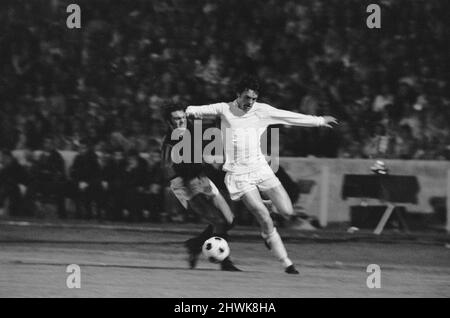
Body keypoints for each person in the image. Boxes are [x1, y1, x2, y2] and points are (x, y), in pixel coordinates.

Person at [185, 76, 338, 274]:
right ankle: (286, 262)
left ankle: (267, 234)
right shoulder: (223, 109)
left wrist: (318, 121)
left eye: (254, 98)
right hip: (239, 175)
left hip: (261, 169)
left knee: (287, 212)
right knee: (263, 216)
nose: (250, 102)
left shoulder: (262, 111)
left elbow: (288, 116)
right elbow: (193, 110)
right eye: (247, 97)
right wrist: (186, 113)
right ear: (238, 94)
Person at [161, 103, 241, 271]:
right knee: (217, 221)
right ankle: (225, 262)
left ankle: (195, 244)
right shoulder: (169, 142)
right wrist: (183, 189)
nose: (180, 121)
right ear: (169, 121)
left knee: (229, 220)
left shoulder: (192, 128)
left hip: (201, 179)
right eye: (176, 118)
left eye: (182, 117)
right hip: (186, 183)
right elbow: (167, 167)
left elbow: (211, 125)